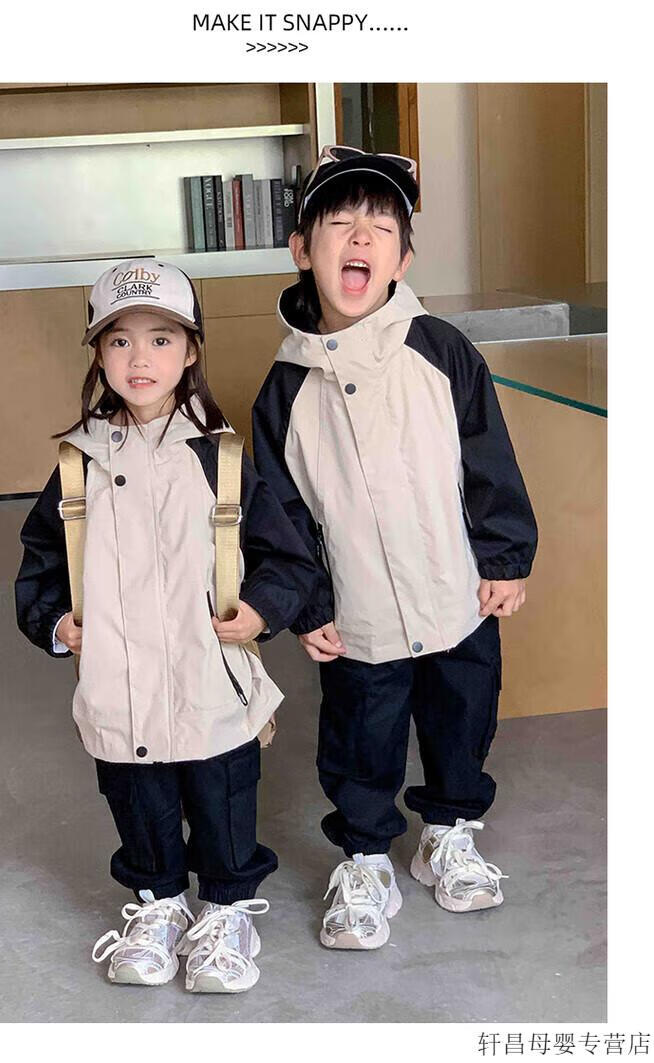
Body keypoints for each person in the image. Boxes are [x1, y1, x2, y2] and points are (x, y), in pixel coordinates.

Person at [252, 147, 538, 950]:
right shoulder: (285, 387)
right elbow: (278, 511)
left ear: (403, 259)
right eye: (340, 223)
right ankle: (366, 857)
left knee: (462, 717)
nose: (361, 238)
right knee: (360, 736)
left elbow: (488, 457)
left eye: (381, 228)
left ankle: (448, 831)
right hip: (361, 611)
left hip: (454, 592)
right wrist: (305, 602)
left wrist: (505, 556)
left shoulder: (439, 349)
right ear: (302, 248)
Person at [15, 258, 316, 991]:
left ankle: (226, 909)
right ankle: (159, 904)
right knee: (137, 800)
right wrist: (56, 624)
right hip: (120, 686)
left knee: (221, 797)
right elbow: (41, 564)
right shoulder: (78, 465)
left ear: (190, 352)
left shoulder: (223, 458)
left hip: (210, 678)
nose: (139, 358)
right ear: (98, 355)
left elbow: (286, 556)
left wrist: (262, 609)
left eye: (160, 339)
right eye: (119, 341)